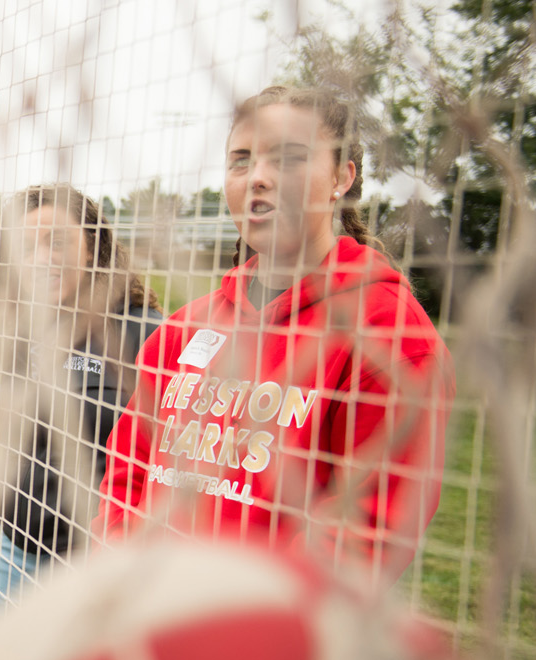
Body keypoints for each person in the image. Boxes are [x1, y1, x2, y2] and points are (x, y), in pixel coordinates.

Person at [95, 85, 455, 588]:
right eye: (240, 160)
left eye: (287, 157)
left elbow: (366, 531)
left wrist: (231, 619)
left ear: (342, 179)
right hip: (144, 620)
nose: (259, 177)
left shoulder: (388, 334)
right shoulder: (186, 328)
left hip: (268, 644)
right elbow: (128, 472)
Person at [0, 185, 163, 605]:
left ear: (92, 249)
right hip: (18, 555)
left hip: (102, 567)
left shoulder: (143, 333)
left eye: (57, 242)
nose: (41, 259)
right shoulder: (16, 330)